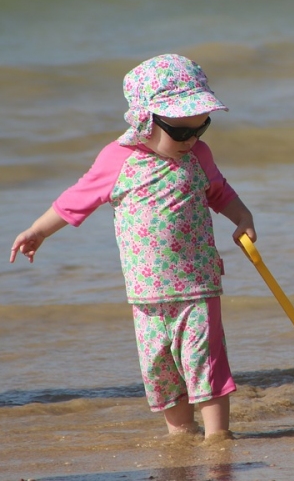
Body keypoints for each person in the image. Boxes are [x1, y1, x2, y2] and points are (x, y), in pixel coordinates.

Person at [9, 54, 256, 440]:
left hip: (197, 284)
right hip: (145, 293)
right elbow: (78, 197)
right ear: (145, 120)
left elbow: (219, 192)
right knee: (161, 369)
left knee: (204, 363)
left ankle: (217, 438)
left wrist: (242, 216)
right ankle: (180, 434)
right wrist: (39, 230)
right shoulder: (117, 160)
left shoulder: (198, 157)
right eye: (180, 132)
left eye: (200, 128)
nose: (190, 140)